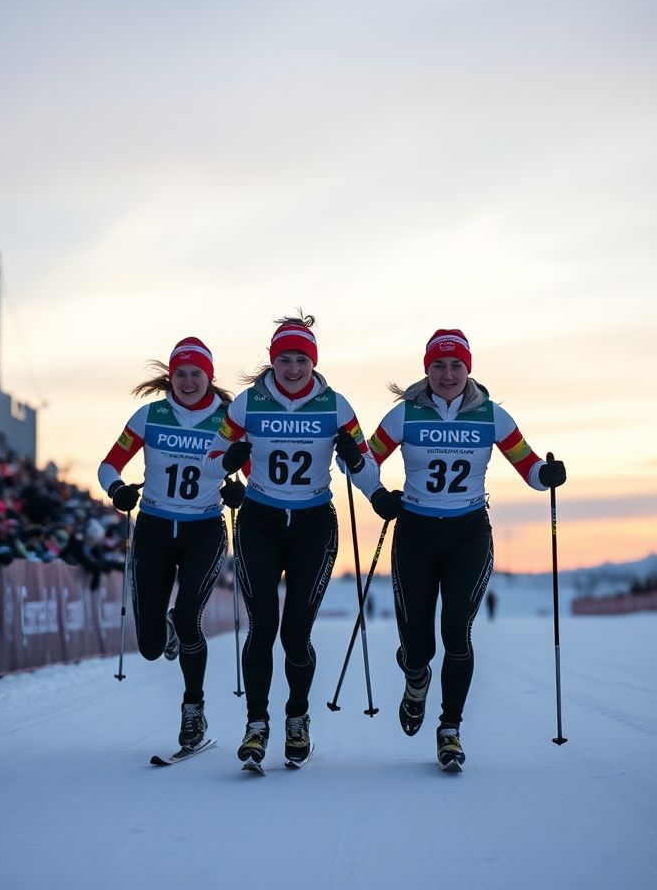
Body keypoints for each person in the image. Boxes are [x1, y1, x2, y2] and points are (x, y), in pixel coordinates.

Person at [368, 328, 566, 770]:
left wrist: (548, 475)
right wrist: (379, 494)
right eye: (438, 365)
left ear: (468, 368)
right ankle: (415, 676)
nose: (447, 374)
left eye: (456, 365)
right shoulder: (404, 415)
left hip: (468, 532)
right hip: (416, 532)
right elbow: (363, 459)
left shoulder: (492, 415)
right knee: (417, 646)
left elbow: (529, 467)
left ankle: (450, 729)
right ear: (427, 369)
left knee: (457, 628)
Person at [203, 315, 381, 767]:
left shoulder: (336, 406)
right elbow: (209, 461)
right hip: (259, 522)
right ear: (272, 361)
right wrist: (228, 460)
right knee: (262, 626)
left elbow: (364, 468)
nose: (294, 368)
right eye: (285, 359)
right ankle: (256, 725)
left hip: (313, 526)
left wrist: (369, 481)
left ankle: (297, 719)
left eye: (302, 360)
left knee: (296, 634)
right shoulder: (247, 404)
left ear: (313, 362)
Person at [98, 337, 240, 751]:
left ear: (209, 377)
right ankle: (167, 629)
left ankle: (193, 709)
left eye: (197, 374)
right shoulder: (149, 416)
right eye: (181, 374)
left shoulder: (229, 421)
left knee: (190, 617)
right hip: (154, 531)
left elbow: (253, 472)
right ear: (170, 377)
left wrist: (240, 493)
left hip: (204, 531)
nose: (188, 381)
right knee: (149, 647)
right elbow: (109, 465)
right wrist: (118, 490)